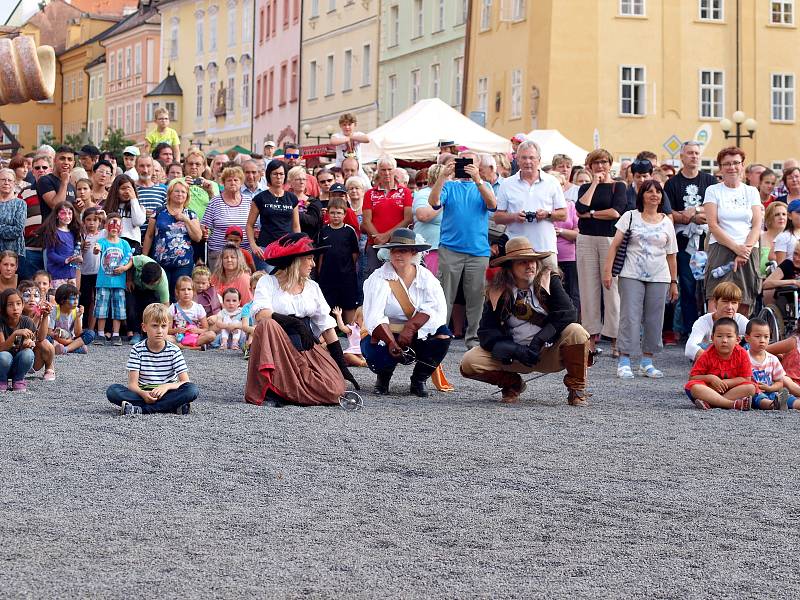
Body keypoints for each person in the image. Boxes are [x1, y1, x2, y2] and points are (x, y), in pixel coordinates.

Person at [459, 236, 592, 405]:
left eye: (533, 261)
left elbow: (567, 314)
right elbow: (486, 332)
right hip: (515, 358)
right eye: (522, 262)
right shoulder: (497, 291)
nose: (530, 266)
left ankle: (576, 390)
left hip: (549, 352)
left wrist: (539, 341)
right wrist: (513, 349)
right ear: (510, 267)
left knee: (577, 332)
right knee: (469, 362)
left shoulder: (549, 280)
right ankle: (512, 384)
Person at [245, 233, 358, 407]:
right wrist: (294, 323)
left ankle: (289, 392)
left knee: (335, 390)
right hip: (277, 343)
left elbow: (326, 326)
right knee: (267, 325)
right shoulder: (268, 282)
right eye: (309, 259)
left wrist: (341, 366)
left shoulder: (312, 286)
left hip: (304, 345)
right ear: (295, 261)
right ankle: (272, 389)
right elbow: (261, 314)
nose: (313, 264)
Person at [361, 229, 451, 397]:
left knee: (442, 336)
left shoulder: (426, 278)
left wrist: (411, 327)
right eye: (394, 250)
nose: (398, 255)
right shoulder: (378, 278)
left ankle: (419, 380)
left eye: (403, 250)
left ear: (413, 253)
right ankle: (383, 378)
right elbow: (373, 316)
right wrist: (390, 342)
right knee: (378, 356)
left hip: (416, 333)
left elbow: (436, 311)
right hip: (385, 332)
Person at [603, 180, 678, 379]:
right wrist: (608, 271)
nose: (655, 195)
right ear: (641, 195)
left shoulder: (667, 222)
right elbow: (614, 246)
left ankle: (647, 361)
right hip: (630, 273)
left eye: (658, 192)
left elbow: (671, 254)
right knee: (630, 316)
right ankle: (624, 360)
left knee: (654, 319)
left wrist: (673, 281)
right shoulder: (630, 216)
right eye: (649, 191)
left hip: (659, 276)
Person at [574, 148, 627, 356]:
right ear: (590, 166)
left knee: (612, 288)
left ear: (610, 164)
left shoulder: (618, 187)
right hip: (586, 239)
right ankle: (591, 338)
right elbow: (579, 209)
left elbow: (615, 212)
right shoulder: (586, 187)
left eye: (604, 162)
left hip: (609, 239)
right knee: (588, 289)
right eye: (596, 163)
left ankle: (615, 339)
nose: (600, 166)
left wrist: (592, 214)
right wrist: (594, 183)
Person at [106, 303, 199, 415]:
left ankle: (142, 409)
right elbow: (132, 384)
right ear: (144, 327)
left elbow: (185, 381)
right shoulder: (137, 349)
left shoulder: (174, 350)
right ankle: (171, 407)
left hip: (167, 393)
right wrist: (143, 394)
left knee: (192, 389)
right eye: (155, 326)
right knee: (113, 391)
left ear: (168, 327)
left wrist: (166, 386)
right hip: (143, 394)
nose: (159, 330)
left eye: (163, 326)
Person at [703, 147, 763, 315]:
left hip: (749, 249)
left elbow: (757, 224)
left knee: (744, 299)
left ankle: (740, 338)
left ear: (742, 165)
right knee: (716, 298)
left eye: (736, 163)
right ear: (720, 168)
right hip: (721, 248)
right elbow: (713, 225)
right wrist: (737, 248)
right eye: (727, 164)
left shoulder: (751, 191)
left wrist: (746, 250)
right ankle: (715, 337)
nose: (732, 167)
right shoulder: (713, 191)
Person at [494, 141, 566, 272]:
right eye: (524, 157)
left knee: (550, 288)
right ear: (517, 159)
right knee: (518, 289)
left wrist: (547, 214)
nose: (528, 161)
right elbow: (498, 217)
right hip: (516, 249)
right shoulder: (507, 184)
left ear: (539, 159)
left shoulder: (552, 182)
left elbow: (563, 214)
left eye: (532, 157)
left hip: (545, 247)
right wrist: (514, 216)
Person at [143, 178, 202, 298]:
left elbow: (197, 237)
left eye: (183, 192)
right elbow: (149, 236)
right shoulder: (158, 212)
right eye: (176, 191)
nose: (180, 194)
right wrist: (144, 258)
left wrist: (186, 220)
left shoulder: (191, 214)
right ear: (170, 193)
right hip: (161, 262)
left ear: (187, 196)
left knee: (180, 296)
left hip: (183, 264)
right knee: (161, 296)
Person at [684, 317, 755, 410]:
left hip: (732, 390)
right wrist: (711, 378)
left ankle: (712, 403)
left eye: (729, 336)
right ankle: (732, 404)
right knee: (694, 387)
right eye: (719, 336)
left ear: (738, 340)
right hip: (710, 389)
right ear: (712, 338)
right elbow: (692, 377)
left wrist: (725, 383)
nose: (724, 340)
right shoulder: (706, 354)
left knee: (750, 388)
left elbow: (746, 378)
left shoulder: (742, 353)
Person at [362, 156, 413, 276]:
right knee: (374, 279)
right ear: (378, 171)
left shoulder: (405, 192)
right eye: (383, 170)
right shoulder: (370, 194)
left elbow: (408, 218)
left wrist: (386, 236)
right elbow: (366, 221)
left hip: (398, 244)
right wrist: (378, 238)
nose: (387, 173)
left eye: (390, 169)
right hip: (374, 244)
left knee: (398, 278)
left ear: (395, 170)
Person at [247, 159, 300, 269]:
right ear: (269, 175)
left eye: (281, 174)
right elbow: (249, 225)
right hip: (266, 248)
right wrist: (253, 245)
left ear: (285, 176)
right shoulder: (260, 198)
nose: (278, 177)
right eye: (275, 174)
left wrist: (298, 245)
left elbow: (296, 225)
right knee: (267, 283)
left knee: (286, 284)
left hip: (287, 248)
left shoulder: (292, 198)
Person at [201, 166, 254, 270]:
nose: (232, 182)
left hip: (243, 253)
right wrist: (204, 231)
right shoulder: (215, 202)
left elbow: (254, 226)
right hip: (219, 254)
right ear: (223, 183)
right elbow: (204, 226)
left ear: (241, 182)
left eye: (236, 180)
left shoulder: (249, 201)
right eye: (229, 180)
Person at [317, 197, 360, 323]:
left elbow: (354, 253)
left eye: (339, 213)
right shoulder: (323, 230)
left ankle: (350, 331)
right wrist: (320, 271)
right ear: (328, 213)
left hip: (346, 276)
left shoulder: (349, 231)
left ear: (345, 214)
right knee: (327, 305)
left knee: (349, 305)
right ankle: (331, 333)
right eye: (333, 213)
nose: (336, 216)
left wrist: (348, 268)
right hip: (327, 276)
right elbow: (320, 254)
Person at [92, 213, 133, 346]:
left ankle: (116, 334)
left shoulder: (124, 243)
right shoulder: (102, 242)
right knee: (101, 308)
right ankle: (100, 334)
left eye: (117, 224)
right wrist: (97, 249)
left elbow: (130, 260)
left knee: (119, 309)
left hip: (119, 282)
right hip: (103, 281)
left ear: (121, 228)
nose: (114, 227)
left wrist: (124, 268)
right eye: (111, 224)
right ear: (105, 226)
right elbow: (96, 250)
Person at [684, 282, 749, 362]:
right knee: (701, 346)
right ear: (715, 302)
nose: (729, 307)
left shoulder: (740, 319)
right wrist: (717, 362)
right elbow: (690, 348)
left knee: (751, 342)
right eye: (725, 301)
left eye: (734, 303)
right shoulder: (703, 321)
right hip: (712, 362)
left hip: (736, 361)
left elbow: (759, 338)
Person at [745, 318, 794, 410]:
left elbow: (780, 382)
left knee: (789, 398)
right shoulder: (744, 358)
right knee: (758, 398)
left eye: (766, 337)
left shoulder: (773, 359)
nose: (762, 340)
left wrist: (770, 388)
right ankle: (772, 404)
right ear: (747, 338)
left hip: (771, 391)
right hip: (755, 393)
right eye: (757, 336)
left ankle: (794, 404)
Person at [0, 288, 39, 391]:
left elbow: (32, 340)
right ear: (4, 307)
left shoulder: (27, 321)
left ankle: (18, 379)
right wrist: (15, 334)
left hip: (17, 364)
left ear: (23, 305)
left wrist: (28, 343)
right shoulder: (1, 322)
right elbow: (1, 348)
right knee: (4, 356)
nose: (15, 308)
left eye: (18, 304)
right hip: (2, 364)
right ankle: (1, 380)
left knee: (28, 353)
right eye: (10, 304)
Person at [126, 255, 169, 344]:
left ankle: (148, 334)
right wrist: (129, 279)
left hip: (151, 293)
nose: (148, 284)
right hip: (135, 285)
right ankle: (136, 332)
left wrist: (166, 327)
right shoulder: (141, 260)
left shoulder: (162, 283)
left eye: (151, 283)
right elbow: (131, 262)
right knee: (131, 308)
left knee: (151, 309)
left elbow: (166, 305)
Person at [42, 201, 82, 288]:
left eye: (70, 213)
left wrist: (78, 258)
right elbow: (50, 254)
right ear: (57, 215)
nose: (67, 216)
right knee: (57, 299)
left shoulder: (73, 232)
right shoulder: (53, 233)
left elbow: (76, 250)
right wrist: (64, 260)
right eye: (63, 213)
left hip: (71, 274)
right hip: (57, 275)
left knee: (70, 299)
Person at [168, 276, 216, 349]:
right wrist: (176, 330)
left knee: (211, 335)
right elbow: (168, 330)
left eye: (189, 289)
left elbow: (206, 329)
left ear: (193, 292)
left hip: (193, 337)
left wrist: (197, 330)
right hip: (178, 338)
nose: (186, 292)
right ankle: (195, 347)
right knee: (166, 338)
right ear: (177, 292)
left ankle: (183, 347)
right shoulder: (173, 308)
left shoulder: (198, 308)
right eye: (183, 289)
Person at [412, 165, 444, 274]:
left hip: (447, 248)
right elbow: (422, 216)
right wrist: (442, 202)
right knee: (430, 285)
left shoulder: (447, 192)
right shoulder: (424, 193)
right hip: (430, 248)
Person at [103, 175, 146, 250]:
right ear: (116, 190)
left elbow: (138, 222)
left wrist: (133, 199)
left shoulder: (139, 207)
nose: (126, 192)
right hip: (113, 242)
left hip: (132, 244)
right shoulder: (109, 207)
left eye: (129, 188)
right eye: (123, 188)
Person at [49, 283, 94, 354]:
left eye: (77, 298)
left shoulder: (76, 311)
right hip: (57, 339)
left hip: (71, 339)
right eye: (72, 299)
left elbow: (78, 333)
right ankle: (75, 348)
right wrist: (63, 341)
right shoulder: (54, 310)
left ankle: (65, 349)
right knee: (47, 338)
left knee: (90, 333)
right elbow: (49, 332)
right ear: (62, 300)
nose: (76, 302)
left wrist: (78, 317)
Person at [36, 146, 76, 224]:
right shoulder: (45, 180)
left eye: (70, 159)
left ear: (73, 163)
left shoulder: (71, 185)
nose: (66, 162)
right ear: (54, 161)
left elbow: (72, 212)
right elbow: (56, 206)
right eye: (62, 158)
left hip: (68, 231)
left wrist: (78, 207)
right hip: (52, 231)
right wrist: (64, 182)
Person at [287, 166, 323, 241]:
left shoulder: (313, 201)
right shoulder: (284, 199)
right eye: (298, 179)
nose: (302, 182)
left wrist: (293, 212)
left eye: (304, 179)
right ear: (290, 182)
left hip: (308, 241)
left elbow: (313, 221)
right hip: (286, 239)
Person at [135, 155, 167, 239]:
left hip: (158, 240)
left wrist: (156, 214)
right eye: (142, 166)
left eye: (148, 166)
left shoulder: (162, 190)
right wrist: (140, 213)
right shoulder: (131, 189)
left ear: (153, 168)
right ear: (136, 168)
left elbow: (169, 215)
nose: (145, 170)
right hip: (136, 239)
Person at [0, 168, 27, 258]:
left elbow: (18, 230)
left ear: (14, 183)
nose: (6, 182)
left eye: (10, 180)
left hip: (14, 253)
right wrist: (7, 228)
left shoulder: (20, 204)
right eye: (3, 180)